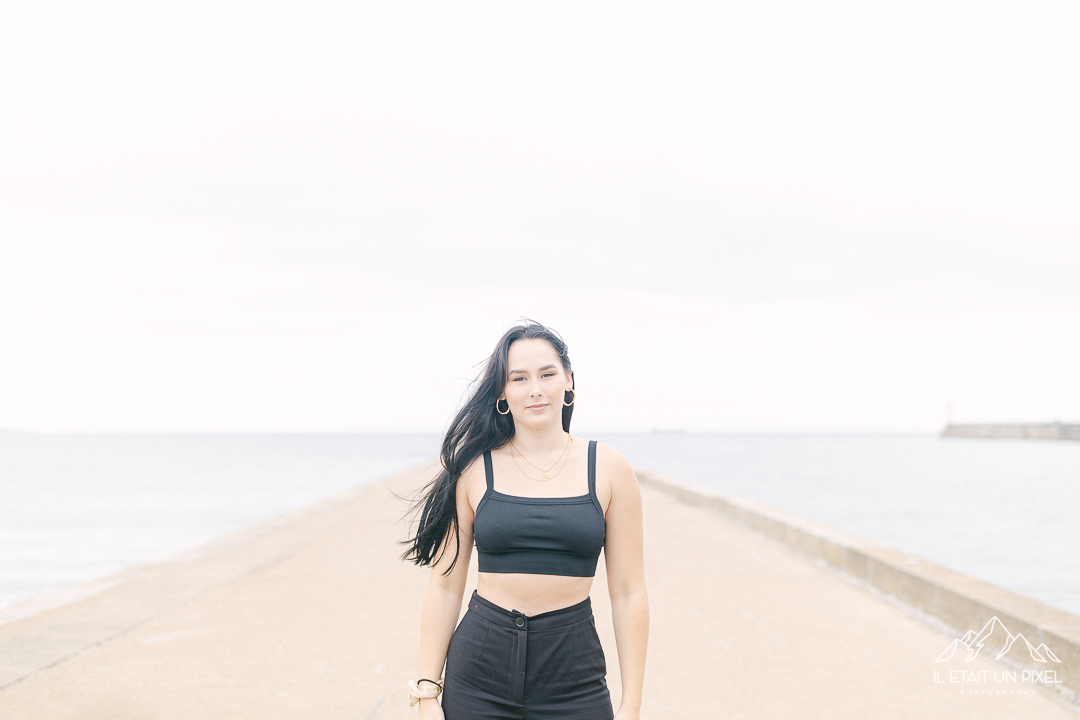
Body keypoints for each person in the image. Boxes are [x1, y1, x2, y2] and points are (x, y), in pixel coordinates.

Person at [402, 322, 649, 720]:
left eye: (547, 374)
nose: (535, 389)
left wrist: (631, 706)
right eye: (519, 378)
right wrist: (427, 694)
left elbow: (628, 592)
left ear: (568, 382)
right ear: (503, 392)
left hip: (574, 675)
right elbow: (446, 585)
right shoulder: (473, 470)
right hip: (479, 674)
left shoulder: (609, 468)